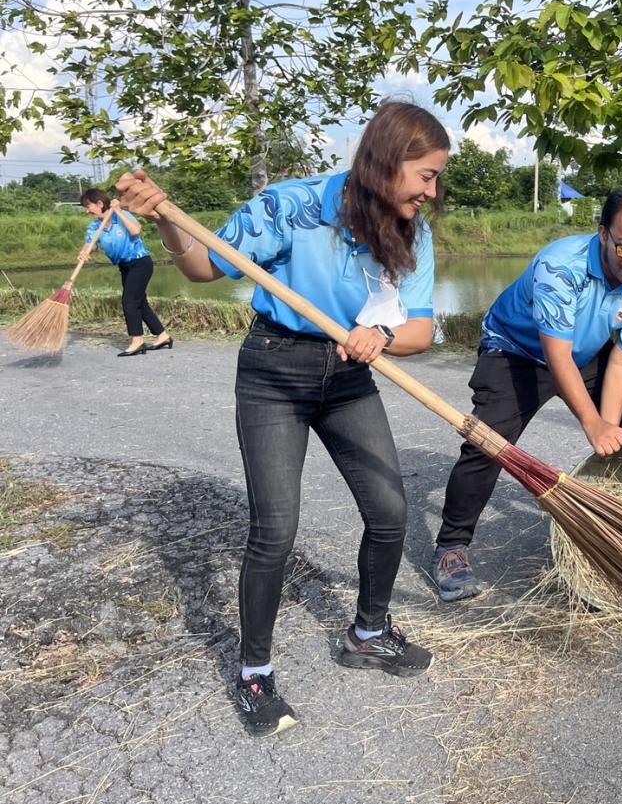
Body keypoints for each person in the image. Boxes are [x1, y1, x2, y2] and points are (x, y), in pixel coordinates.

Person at [115, 101, 447, 737]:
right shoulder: (291, 206)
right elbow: (203, 268)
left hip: (349, 376)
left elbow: (422, 329)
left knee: (389, 511)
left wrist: (381, 334)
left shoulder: (413, 234)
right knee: (276, 526)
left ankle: (368, 633)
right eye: (425, 176)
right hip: (275, 369)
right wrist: (165, 219)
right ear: (387, 161)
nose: (431, 192)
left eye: (436, 179)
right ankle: (254, 673)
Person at [431, 188, 622, 601]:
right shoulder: (561, 267)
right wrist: (591, 423)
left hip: (586, 352)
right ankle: (451, 547)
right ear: (603, 235)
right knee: (489, 442)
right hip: (517, 350)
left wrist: (607, 427)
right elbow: (556, 356)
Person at [78, 189, 171, 357]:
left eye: (88, 206)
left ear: (100, 204)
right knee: (139, 303)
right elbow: (91, 244)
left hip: (140, 263)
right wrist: (85, 252)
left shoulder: (121, 216)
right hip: (124, 266)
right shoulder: (94, 227)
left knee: (129, 301)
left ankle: (137, 341)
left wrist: (119, 211)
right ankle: (163, 336)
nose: (87, 211)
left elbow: (136, 231)